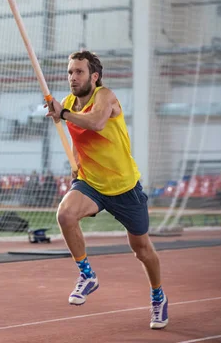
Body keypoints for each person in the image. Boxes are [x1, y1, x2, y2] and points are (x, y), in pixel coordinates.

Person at [45, 50, 168, 329]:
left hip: (125, 187)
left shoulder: (105, 97)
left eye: (79, 72)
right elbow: (79, 140)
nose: (72, 77)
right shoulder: (68, 103)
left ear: (94, 76)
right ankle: (87, 275)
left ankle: (158, 297)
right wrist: (75, 163)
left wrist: (62, 113)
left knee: (141, 249)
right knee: (65, 214)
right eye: (70, 72)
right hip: (91, 183)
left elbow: (97, 123)